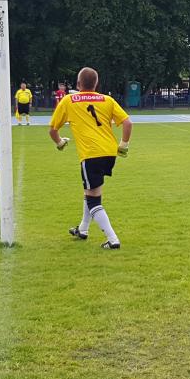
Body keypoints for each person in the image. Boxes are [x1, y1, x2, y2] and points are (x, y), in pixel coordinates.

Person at [49, 67, 132, 249]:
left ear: (78, 84)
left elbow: (53, 130)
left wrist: (60, 143)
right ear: (96, 84)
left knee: (93, 199)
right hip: (109, 152)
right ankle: (83, 229)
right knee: (91, 191)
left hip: (91, 154)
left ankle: (113, 239)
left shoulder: (69, 100)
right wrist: (124, 144)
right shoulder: (107, 100)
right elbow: (127, 122)